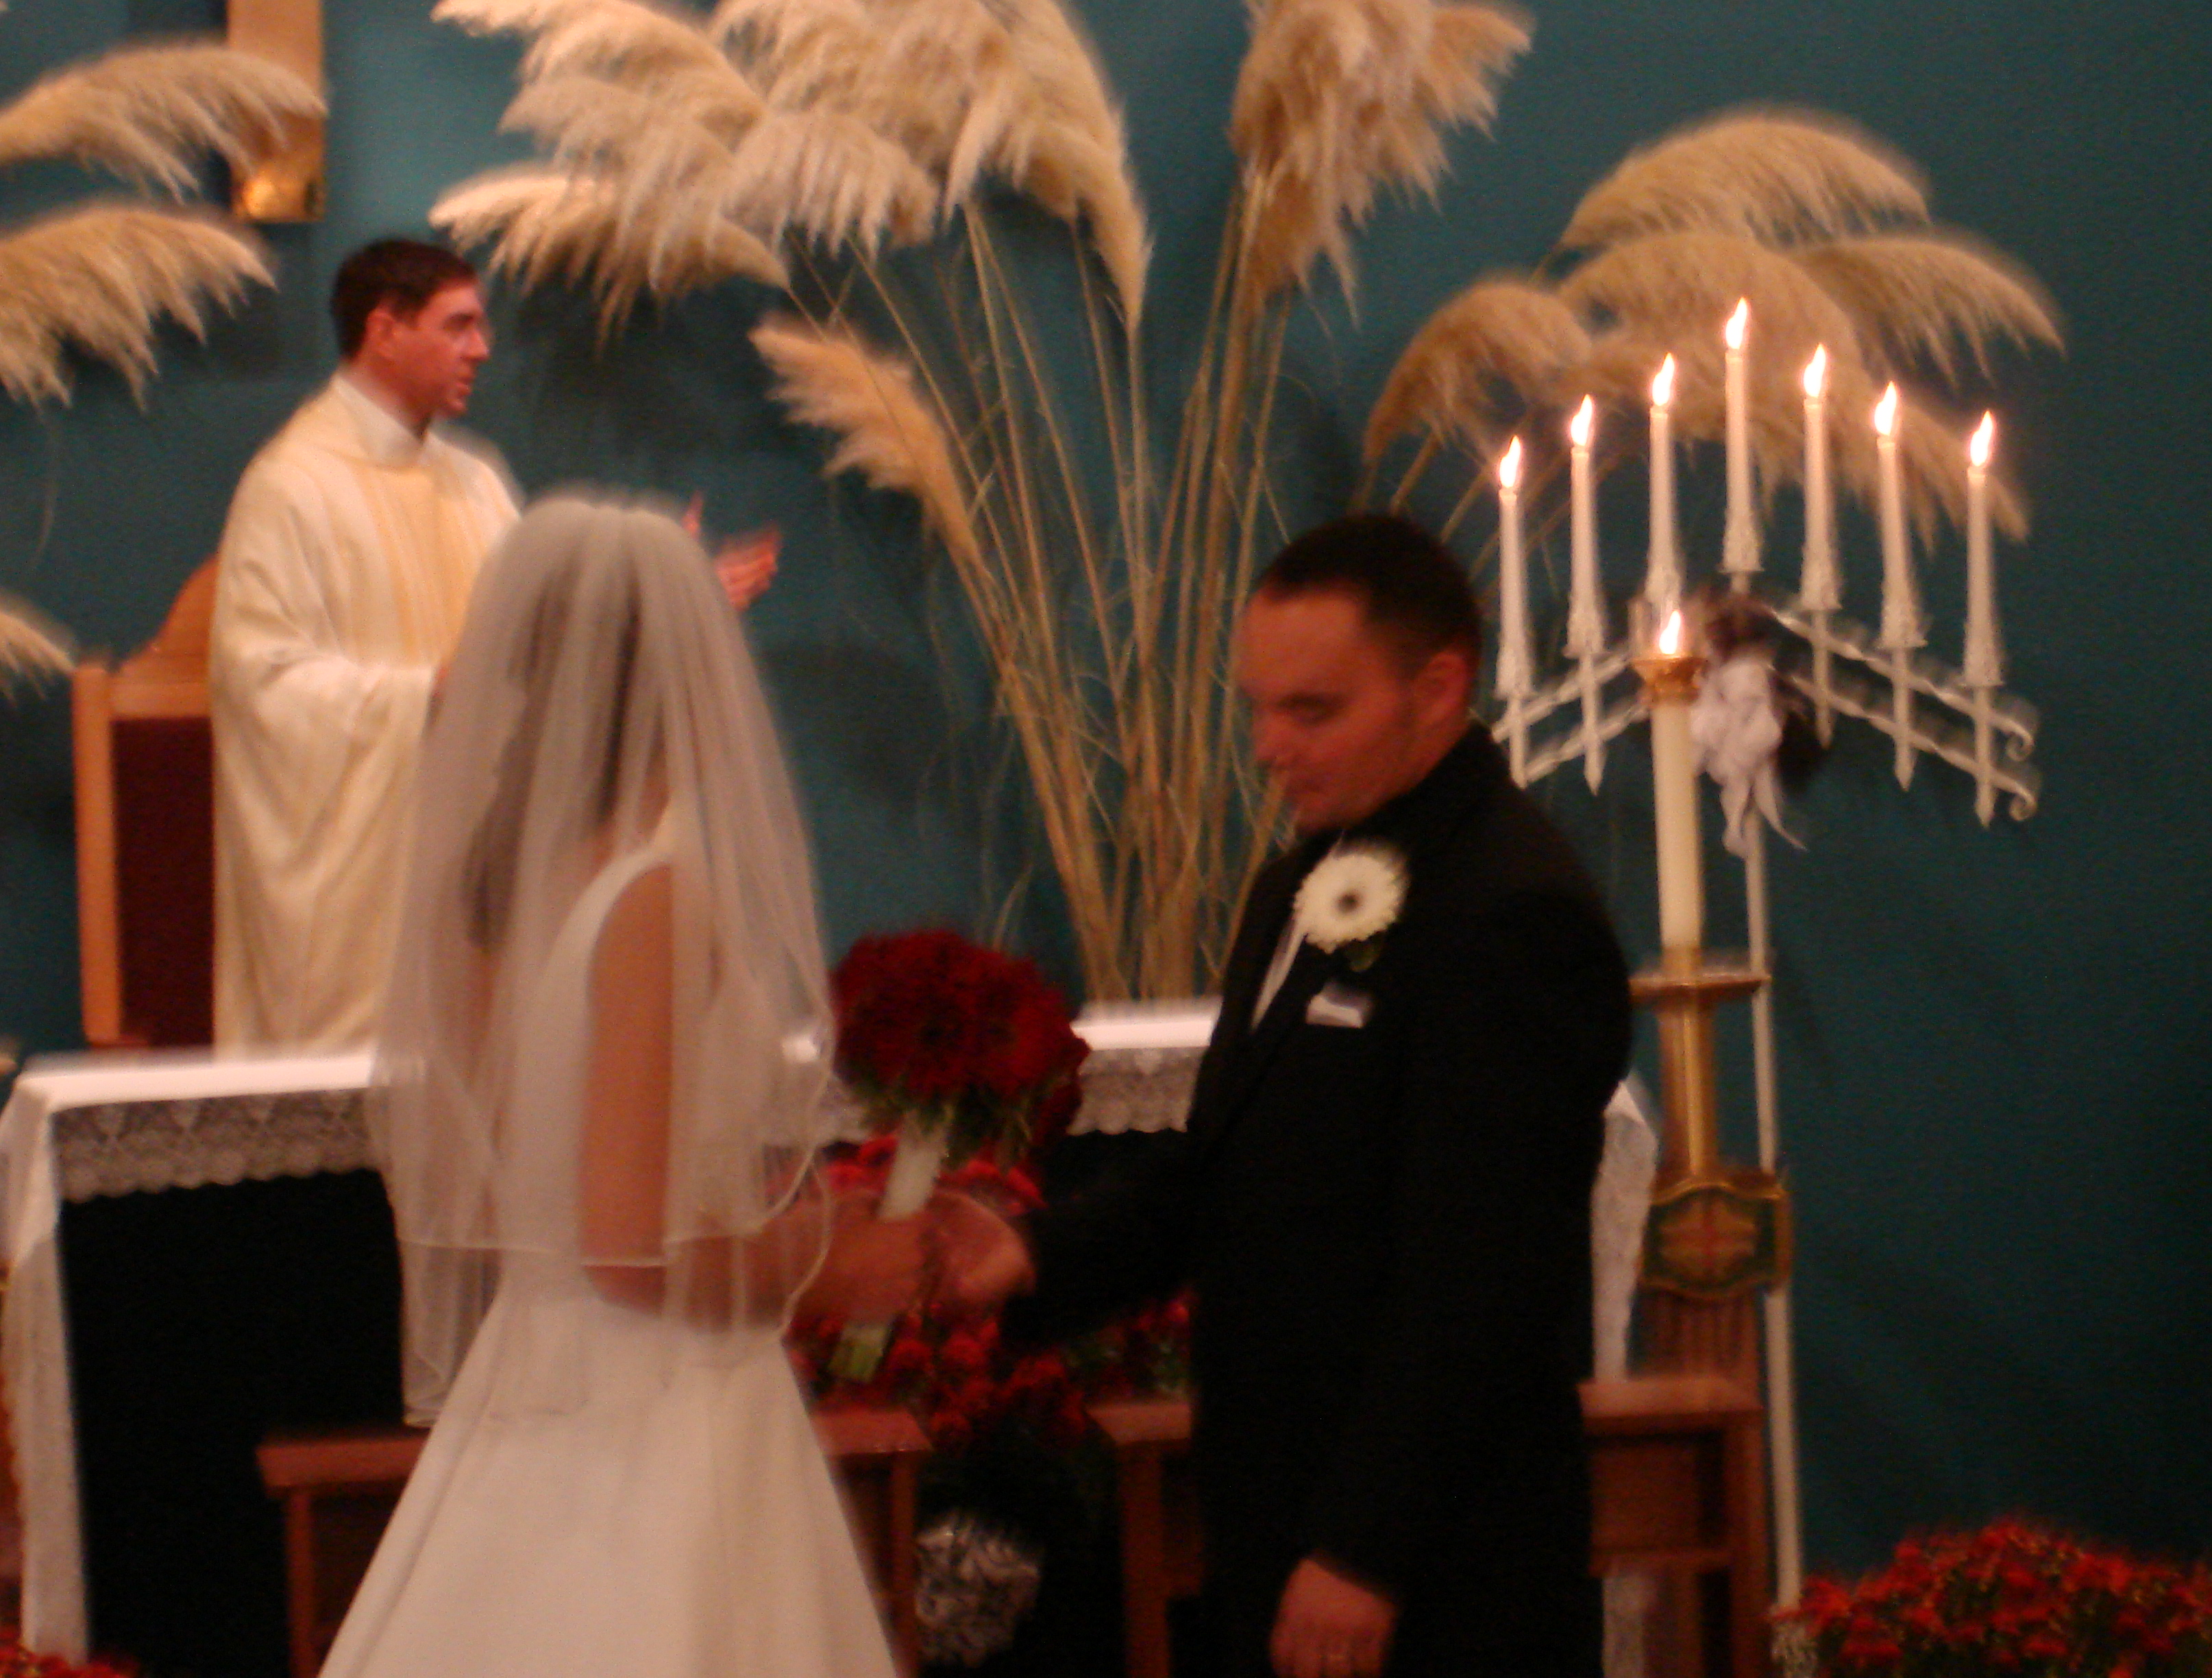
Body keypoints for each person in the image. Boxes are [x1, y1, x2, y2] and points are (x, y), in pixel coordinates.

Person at [940, 513, 1634, 1678]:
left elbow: (1482, 1279)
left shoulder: (1511, 908)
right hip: (1280, 1510)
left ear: (1438, 687)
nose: (1266, 746)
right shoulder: (1304, 879)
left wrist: (1365, 1549)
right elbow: (1234, 1168)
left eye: (1312, 711)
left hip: (1434, 1569)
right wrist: (1033, 1253)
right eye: (1257, 706)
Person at [322, 497, 916, 1677]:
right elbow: (626, 1252)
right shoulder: (654, 896)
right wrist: (821, 1258)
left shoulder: (489, 888)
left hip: (532, 1383)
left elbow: (517, 1196)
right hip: (658, 1409)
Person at [210, 239, 781, 1050]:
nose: (483, 348)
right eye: (459, 326)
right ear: (384, 331)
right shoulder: (291, 485)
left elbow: (549, 636)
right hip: (366, 883)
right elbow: (261, 686)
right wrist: (428, 691)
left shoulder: (476, 478)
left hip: (482, 864)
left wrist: (661, 600)